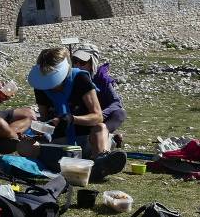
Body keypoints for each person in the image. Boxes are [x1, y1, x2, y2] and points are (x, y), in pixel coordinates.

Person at [26, 45, 127, 181]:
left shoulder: (80, 79)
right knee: (24, 145)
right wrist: (40, 130)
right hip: (60, 143)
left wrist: (72, 119)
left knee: (100, 127)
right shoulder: (41, 86)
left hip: (87, 139)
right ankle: (91, 169)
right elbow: (44, 118)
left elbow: (97, 116)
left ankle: (100, 161)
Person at [71, 42, 126, 148]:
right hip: (80, 117)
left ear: (93, 63)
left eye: (82, 62)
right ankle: (110, 138)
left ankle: (103, 133)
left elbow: (116, 103)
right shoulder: (70, 78)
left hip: (98, 119)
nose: (77, 65)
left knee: (120, 113)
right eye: (75, 61)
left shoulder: (101, 79)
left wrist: (101, 114)